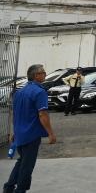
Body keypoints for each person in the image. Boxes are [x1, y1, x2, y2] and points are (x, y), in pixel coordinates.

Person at [4, 64, 56, 193]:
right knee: (27, 166)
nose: (45, 74)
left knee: (21, 161)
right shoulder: (39, 92)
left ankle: (9, 187)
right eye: (43, 72)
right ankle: (20, 190)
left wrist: (14, 132)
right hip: (31, 135)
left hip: (20, 134)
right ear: (36, 76)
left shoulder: (19, 92)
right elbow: (42, 114)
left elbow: (15, 114)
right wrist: (51, 133)